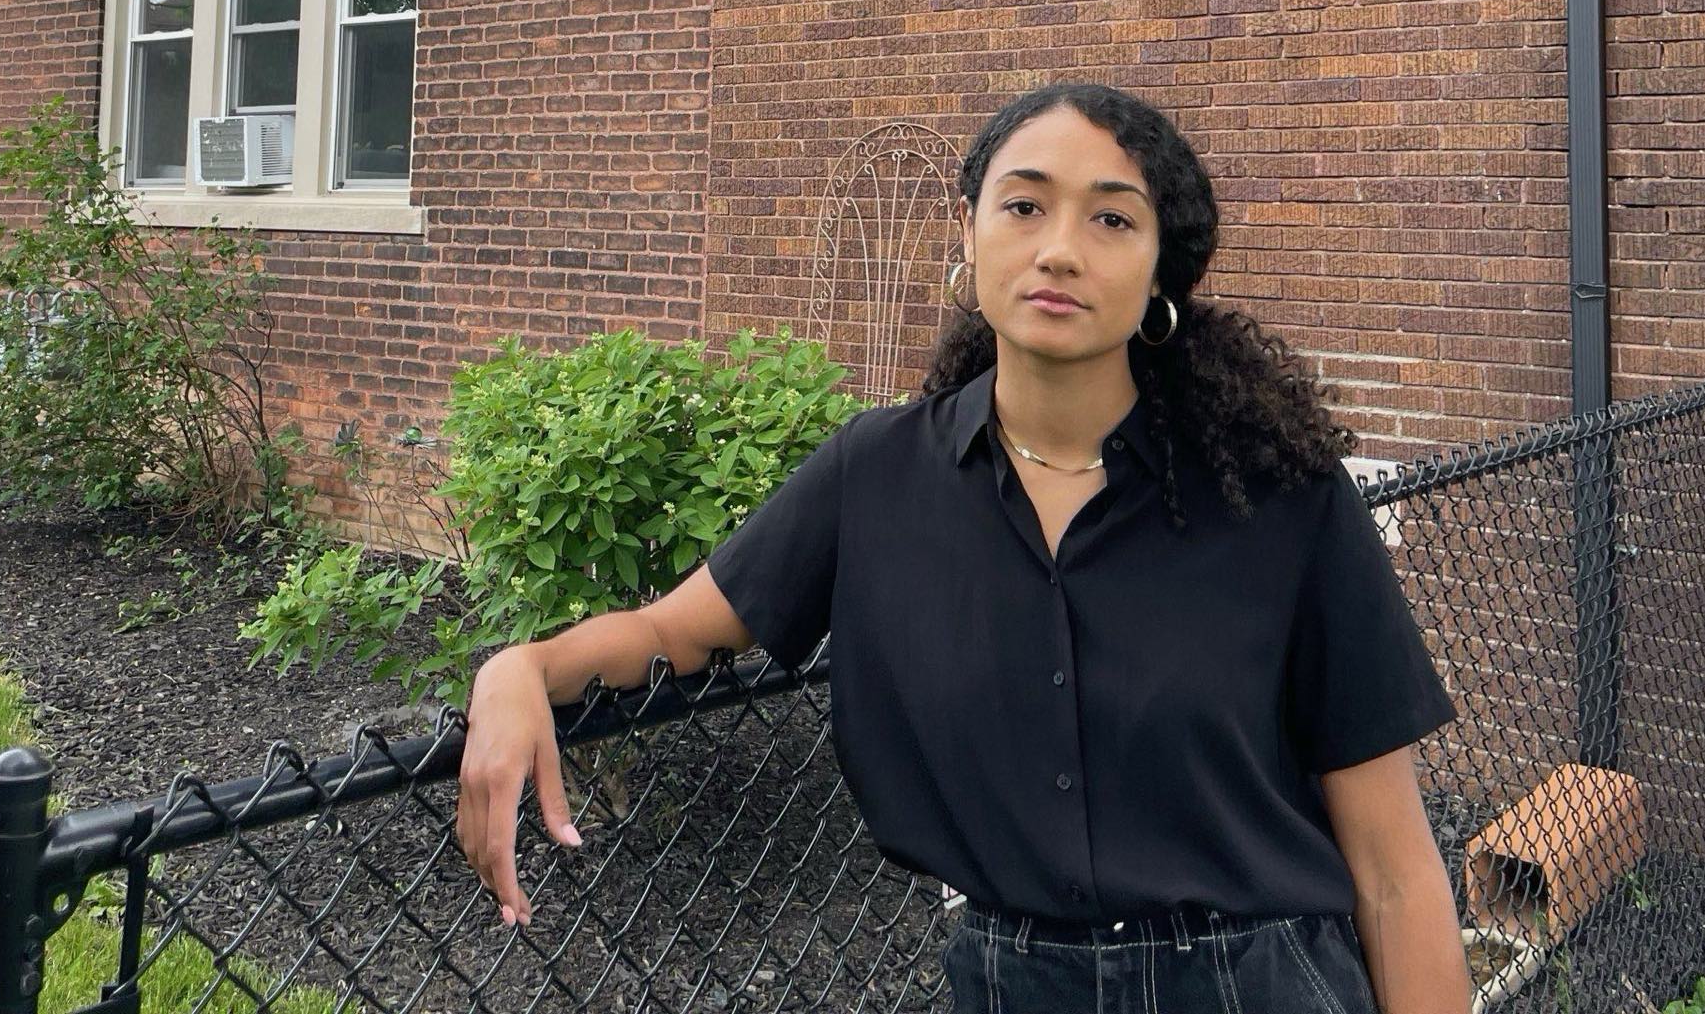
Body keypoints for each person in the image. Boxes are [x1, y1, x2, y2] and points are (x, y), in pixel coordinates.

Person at [456, 80, 1472, 1013]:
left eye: (1111, 216)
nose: (1059, 247)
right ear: (971, 234)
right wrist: (522, 668)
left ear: (1162, 268)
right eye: (1023, 204)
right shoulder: (875, 476)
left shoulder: (1282, 497)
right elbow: (670, 628)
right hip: (1012, 983)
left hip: (1256, 982)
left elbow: (1392, 863)